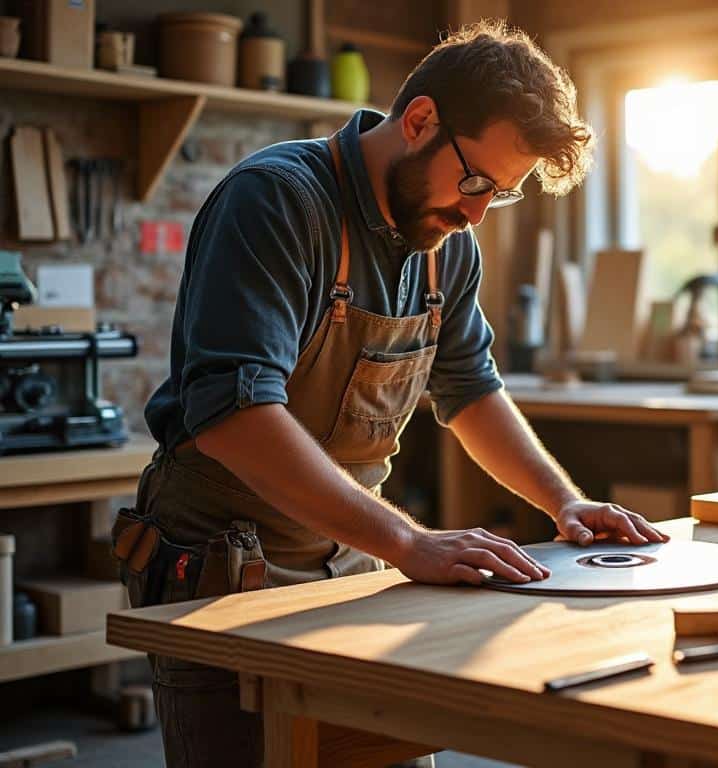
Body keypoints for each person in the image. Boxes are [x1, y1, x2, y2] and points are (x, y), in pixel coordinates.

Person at [118, 20, 667, 768]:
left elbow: (470, 389)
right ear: (419, 122)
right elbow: (233, 415)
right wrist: (409, 541)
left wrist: (561, 501)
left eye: (500, 196)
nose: (476, 213)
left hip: (354, 558)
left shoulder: (449, 246)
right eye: (476, 183)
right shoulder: (278, 202)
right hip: (228, 562)